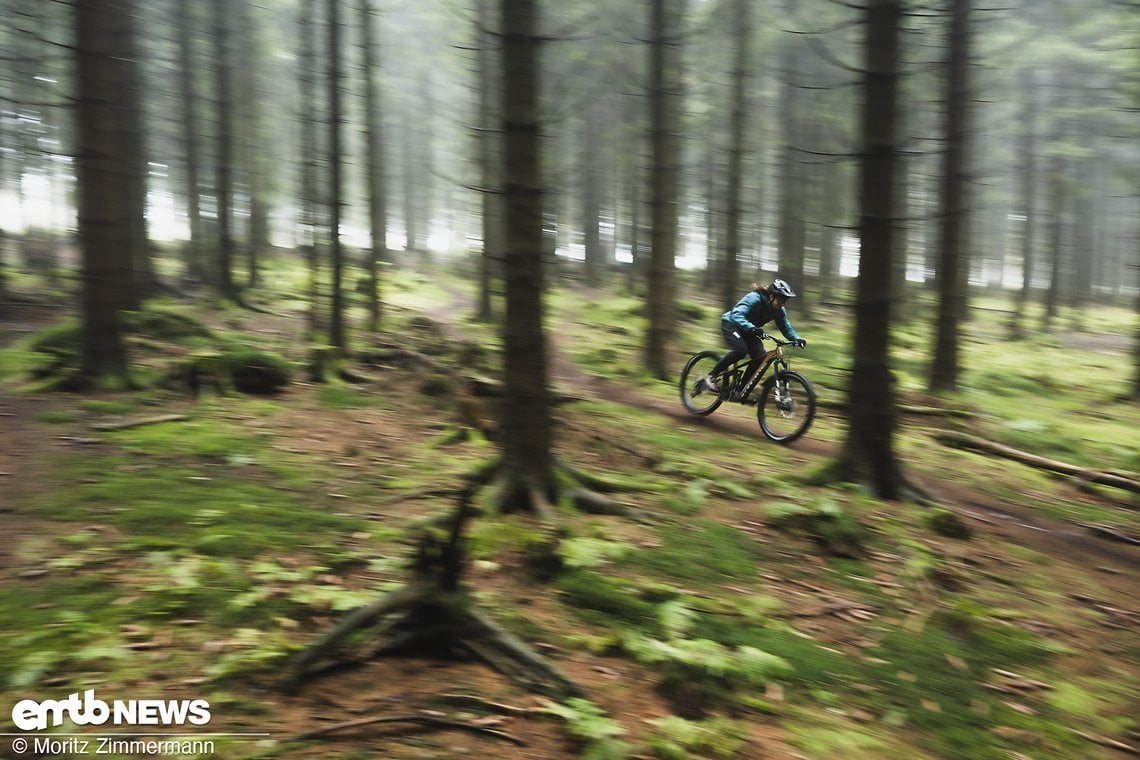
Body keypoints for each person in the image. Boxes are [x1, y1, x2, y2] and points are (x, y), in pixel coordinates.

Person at [704, 279, 806, 397]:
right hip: (732, 324)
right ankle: (711, 376)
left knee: (760, 357)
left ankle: (740, 391)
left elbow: (785, 326)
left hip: (750, 330)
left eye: (784, 301)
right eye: (780, 300)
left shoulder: (779, 310)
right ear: (771, 296)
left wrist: (796, 339)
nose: (782, 304)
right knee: (740, 351)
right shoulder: (755, 298)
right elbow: (736, 314)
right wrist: (752, 328)